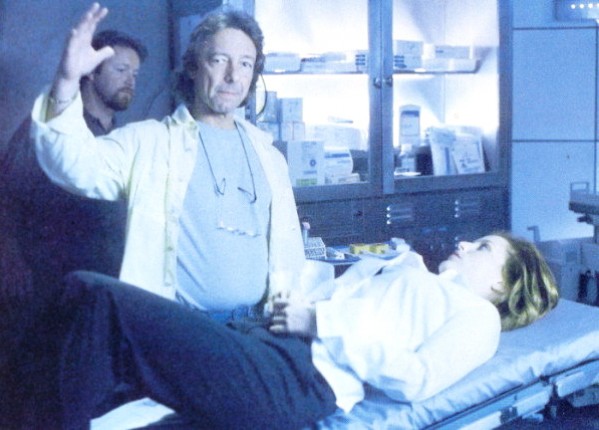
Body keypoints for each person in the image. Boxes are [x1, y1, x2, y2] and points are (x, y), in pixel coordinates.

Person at [2, 232, 559, 428]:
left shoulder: (479, 317)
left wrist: (318, 321)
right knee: (87, 347)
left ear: (502, 284)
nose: (465, 243)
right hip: (266, 347)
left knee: (93, 295)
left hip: (294, 379)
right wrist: (305, 302)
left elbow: (415, 379)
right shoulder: (419, 274)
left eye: (483, 248)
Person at [29, 3, 305, 321]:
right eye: (219, 60)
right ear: (193, 67)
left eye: (245, 63)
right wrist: (66, 79)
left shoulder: (270, 157)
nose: (232, 76)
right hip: (184, 328)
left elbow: (289, 255)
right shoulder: (150, 143)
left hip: (260, 328)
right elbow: (71, 164)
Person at [0, 28, 147, 295]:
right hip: (50, 281)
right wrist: (11, 262)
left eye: (135, 74)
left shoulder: (122, 139)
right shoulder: (47, 128)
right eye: (121, 70)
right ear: (90, 71)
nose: (130, 81)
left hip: (104, 285)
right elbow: (6, 195)